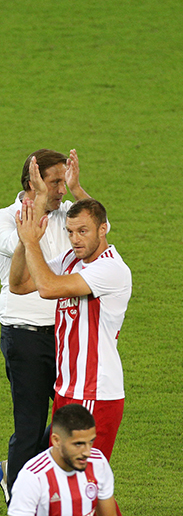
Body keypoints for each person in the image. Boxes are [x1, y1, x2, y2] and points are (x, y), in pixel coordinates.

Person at [9, 194, 131, 516]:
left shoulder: (111, 269)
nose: (75, 239)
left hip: (94, 393)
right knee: (77, 482)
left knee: (84, 484)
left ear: (103, 229)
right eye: (70, 232)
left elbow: (48, 288)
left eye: (83, 231)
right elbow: (18, 284)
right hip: (68, 389)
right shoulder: (71, 260)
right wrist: (24, 241)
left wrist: (32, 242)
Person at [0, 149, 90, 500]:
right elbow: (21, 242)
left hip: (64, 332)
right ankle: (19, 497)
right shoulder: (5, 219)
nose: (61, 191)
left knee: (73, 412)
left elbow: (100, 228)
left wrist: (78, 188)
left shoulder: (66, 211)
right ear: (32, 183)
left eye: (64, 182)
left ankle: (15, 469)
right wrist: (39, 201)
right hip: (24, 334)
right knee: (30, 424)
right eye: (55, 183)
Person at [8, 403, 118, 516]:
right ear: (56, 441)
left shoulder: (97, 463)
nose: (87, 452)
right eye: (78, 444)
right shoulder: (33, 477)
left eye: (90, 442)